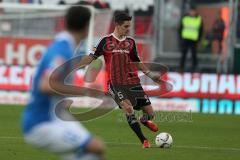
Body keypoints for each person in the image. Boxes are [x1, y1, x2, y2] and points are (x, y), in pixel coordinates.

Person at [21, 6, 105, 160]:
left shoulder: (65, 45)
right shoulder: (62, 49)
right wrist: (86, 91)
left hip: (57, 117)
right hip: (41, 122)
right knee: (96, 147)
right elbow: (45, 85)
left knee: (93, 152)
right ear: (87, 27)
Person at [78, 12, 159, 148]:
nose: (128, 29)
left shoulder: (131, 42)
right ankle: (144, 140)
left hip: (133, 82)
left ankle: (144, 121)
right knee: (128, 108)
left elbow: (137, 61)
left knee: (150, 114)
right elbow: (91, 57)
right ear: (117, 25)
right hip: (115, 84)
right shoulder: (105, 41)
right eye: (126, 26)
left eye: (129, 26)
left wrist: (151, 75)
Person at [179, 6, 203, 72]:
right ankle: (181, 67)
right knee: (184, 53)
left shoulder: (198, 19)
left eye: (193, 11)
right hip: (185, 38)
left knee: (194, 53)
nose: (192, 13)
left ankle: (194, 67)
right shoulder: (185, 18)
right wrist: (181, 38)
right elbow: (181, 28)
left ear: (195, 12)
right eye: (191, 11)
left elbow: (201, 30)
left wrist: (199, 39)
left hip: (194, 39)